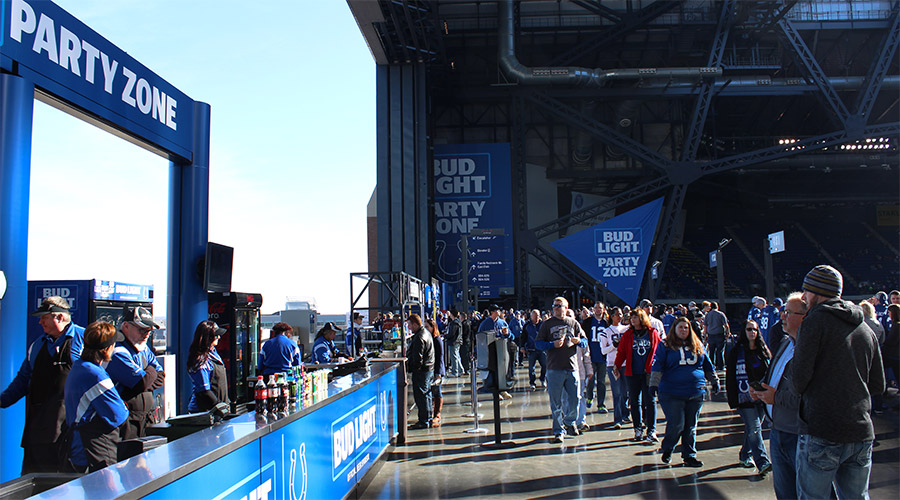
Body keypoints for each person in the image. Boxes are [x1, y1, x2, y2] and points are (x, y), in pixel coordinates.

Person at [792, 265, 885, 499]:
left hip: (822, 431)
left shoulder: (813, 322)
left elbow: (798, 381)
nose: (803, 297)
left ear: (819, 292)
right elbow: (878, 386)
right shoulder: (865, 328)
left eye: (807, 290)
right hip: (860, 432)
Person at [0, 297, 85, 473]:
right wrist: (2, 400)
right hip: (38, 430)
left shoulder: (83, 340)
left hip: (70, 430)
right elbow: (23, 379)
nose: (40, 322)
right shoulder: (38, 345)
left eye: (44, 317)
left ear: (59, 317)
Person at [750, 292, 808, 500]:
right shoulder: (785, 342)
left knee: (811, 492)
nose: (782, 316)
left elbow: (812, 394)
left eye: (788, 312)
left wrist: (777, 398)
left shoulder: (810, 349)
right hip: (778, 430)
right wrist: (762, 389)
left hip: (800, 433)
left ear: (805, 317)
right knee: (785, 493)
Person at [650, 316, 719, 467]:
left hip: (695, 391)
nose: (683, 330)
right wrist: (653, 384)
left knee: (690, 426)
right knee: (677, 423)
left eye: (686, 328)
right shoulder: (665, 345)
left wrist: (714, 380)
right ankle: (668, 447)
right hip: (672, 392)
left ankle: (689, 455)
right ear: (674, 329)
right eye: (680, 327)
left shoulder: (697, 344)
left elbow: (707, 364)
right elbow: (658, 365)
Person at [63, 321, 129, 473]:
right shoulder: (95, 375)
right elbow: (118, 415)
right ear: (107, 348)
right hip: (94, 449)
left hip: (77, 446)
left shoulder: (79, 367)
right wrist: (124, 406)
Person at [105, 306, 165, 440]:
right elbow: (141, 383)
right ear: (126, 326)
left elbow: (161, 375)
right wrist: (149, 371)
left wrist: (146, 377)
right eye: (141, 329)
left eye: (149, 331)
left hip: (146, 418)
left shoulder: (143, 348)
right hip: (127, 421)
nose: (146, 334)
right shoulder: (118, 351)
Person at [536, 297, 588, 443]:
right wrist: (552, 345)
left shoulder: (573, 323)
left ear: (566, 307)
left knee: (574, 399)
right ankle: (559, 431)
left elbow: (585, 341)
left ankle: (570, 421)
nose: (557, 308)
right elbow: (539, 344)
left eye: (560, 305)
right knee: (556, 402)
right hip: (554, 368)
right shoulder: (547, 325)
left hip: (572, 367)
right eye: (555, 306)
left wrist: (579, 341)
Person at [726, 319, 772, 475]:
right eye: (749, 329)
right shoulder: (736, 352)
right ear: (743, 332)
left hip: (762, 397)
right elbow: (730, 376)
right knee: (754, 428)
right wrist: (732, 399)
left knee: (753, 428)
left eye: (755, 329)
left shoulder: (763, 350)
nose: (752, 332)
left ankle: (745, 454)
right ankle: (763, 461)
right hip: (744, 396)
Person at [613, 308, 661, 443]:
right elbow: (621, 352)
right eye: (631, 317)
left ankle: (651, 430)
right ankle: (637, 430)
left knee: (650, 401)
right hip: (632, 372)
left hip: (648, 373)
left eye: (636, 317)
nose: (633, 320)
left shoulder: (652, 333)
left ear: (642, 318)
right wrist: (617, 365)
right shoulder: (628, 334)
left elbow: (658, 350)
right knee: (634, 402)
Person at [186, 321, 230, 413]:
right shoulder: (201, 360)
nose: (219, 337)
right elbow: (204, 391)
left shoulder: (213, 353)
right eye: (216, 335)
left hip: (217, 408)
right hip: (204, 411)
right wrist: (219, 407)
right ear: (207, 337)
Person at [600, 307, 629, 428]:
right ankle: (617, 419)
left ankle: (625, 413)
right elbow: (603, 351)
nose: (619, 316)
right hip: (613, 364)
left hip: (626, 363)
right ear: (611, 316)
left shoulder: (627, 330)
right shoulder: (605, 332)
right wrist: (613, 345)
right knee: (616, 392)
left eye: (621, 314)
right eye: (617, 314)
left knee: (626, 391)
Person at [406, 314, 434, 429]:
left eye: (409, 325)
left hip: (421, 371)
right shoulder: (425, 333)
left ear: (415, 324)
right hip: (428, 368)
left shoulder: (419, 337)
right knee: (426, 394)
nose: (409, 327)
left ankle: (424, 420)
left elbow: (418, 357)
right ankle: (427, 418)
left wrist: (411, 368)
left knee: (421, 395)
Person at [478, 304, 512, 399]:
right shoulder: (485, 324)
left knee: (501, 370)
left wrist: (507, 334)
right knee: (491, 371)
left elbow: (511, 335)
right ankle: (492, 390)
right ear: (492, 312)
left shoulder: (502, 323)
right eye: (497, 310)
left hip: (501, 350)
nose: (499, 312)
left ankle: (502, 389)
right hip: (489, 351)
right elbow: (480, 337)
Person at [582, 301, 609, 414]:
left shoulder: (607, 323)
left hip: (602, 356)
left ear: (603, 310)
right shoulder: (588, 322)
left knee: (601, 381)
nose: (598, 310)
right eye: (596, 308)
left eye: (600, 308)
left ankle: (601, 404)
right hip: (591, 355)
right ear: (593, 310)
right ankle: (589, 396)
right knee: (591, 379)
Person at [425, 318, 445, 427]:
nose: (426, 329)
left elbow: (440, 357)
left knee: (437, 391)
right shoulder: (430, 339)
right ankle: (433, 413)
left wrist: (438, 372)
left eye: (428, 327)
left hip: (436, 370)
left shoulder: (437, 340)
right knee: (433, 391)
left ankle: (437, 413)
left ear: (433, 327)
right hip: (431, 370)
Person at [522, 309, 547, 389]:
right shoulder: (527, 325)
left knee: (545, 365)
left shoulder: (543, 325)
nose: (536, 317)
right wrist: (522, 347)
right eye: (535, 316)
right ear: (531, 316)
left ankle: (542, 379)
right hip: (531, 349)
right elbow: (523, 337)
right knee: (531, 367)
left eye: (538, 316)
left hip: (541, 349)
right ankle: (532, 382)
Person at [704, 301, 730, 370]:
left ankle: (711, 366)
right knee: (720, 351)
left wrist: (705, 335)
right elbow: (726, 325)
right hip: (719, 334)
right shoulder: (721, 314)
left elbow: (705, 326)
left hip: (710, 335)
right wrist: (727, 333)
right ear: (717, 307)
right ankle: (721, 366)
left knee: (711, 352)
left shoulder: (707, 315)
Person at [445, 310, 464, 376]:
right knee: (457, 356)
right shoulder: (459, 322)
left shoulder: (453, 323)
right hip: (458, 341)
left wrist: (446, 336)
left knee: (454, 357)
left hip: (453, 341)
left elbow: (452, 333)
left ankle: (454, 371)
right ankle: (461, 369)